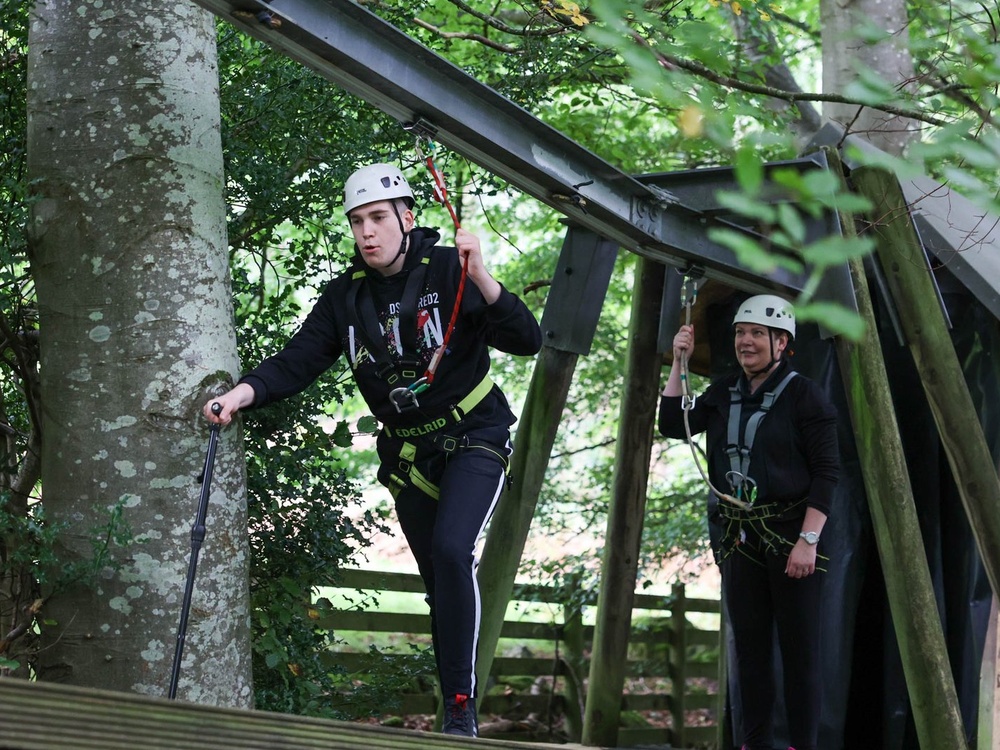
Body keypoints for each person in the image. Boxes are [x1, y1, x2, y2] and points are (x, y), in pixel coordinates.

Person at [204, 163, 542, 737]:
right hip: (410, 457)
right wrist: (240, 394)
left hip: (474, 435)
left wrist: (483, 277)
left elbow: (526, 341)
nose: (368, 232)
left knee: (453, 549)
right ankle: (453, 702)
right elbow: (300, 358)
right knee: (439, 583)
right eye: (358, 221)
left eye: (379, 218)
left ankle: (461, 708)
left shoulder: (449, 270)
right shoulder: (345, 299)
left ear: (408, 218)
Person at [657, 294, 839, 750]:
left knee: (799, 655)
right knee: (750, 654)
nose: (746, 342)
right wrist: (679, 361)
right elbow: (673, 425)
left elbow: (826, 473)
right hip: (740, 539)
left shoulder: (805, 395)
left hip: (792, 537)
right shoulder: (723, 391)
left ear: (782, 343)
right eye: (740, 333)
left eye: (758, 333)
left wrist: (808, 540)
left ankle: (801, 745)